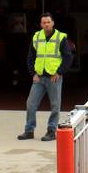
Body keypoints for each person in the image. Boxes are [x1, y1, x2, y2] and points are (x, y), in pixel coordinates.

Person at [17, 12, 73, 141]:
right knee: (31, 104)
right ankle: (29, 130)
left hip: (54, 78)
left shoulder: (60, 37)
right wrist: (33, 73)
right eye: (44, 22)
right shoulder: (37, 37)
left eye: (48, 22)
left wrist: (59, 72)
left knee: (55, 106)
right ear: (41, 24)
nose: (46, 24)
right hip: (39, 78)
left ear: (53, 23)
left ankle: (51, 131)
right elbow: (30, 57)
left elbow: (68, 57)